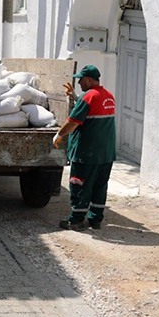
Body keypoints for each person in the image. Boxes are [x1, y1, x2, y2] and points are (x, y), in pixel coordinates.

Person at [53, 65, 116, 231]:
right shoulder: (108, 96)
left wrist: (59, 134)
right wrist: (76, 96)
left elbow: (73, 122)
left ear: (89, 80)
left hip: (87, 153)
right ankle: (95, 220)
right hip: (106, 154)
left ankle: (75, 221)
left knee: (79, 184)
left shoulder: (88, 97)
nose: (79, 82)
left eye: (81, 79)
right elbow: (93, 109)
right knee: (99, 186)